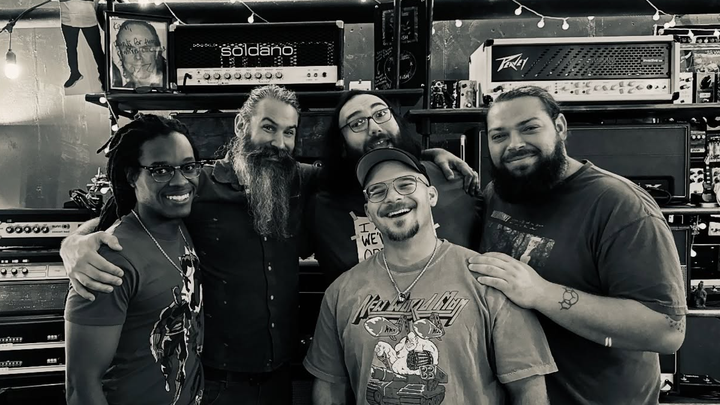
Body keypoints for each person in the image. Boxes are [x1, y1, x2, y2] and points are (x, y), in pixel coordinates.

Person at [59, 85, 474, 405]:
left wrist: (431, 155)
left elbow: (363, 166)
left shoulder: (302, 180)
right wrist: (74, 242)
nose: (279, 143)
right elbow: (127, 213)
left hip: (280, 377)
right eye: (269, 128)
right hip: (215, 381)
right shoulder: (197, 184)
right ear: (242, 127)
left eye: (289, 132)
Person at [468, 86, 688, 405]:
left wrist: (541, 293)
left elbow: (667, 331)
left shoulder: (620, 205)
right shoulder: (499, 193)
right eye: (499, 135)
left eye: (529, 128)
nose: (514, 144)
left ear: (560, 127)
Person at [304, 147, 557, 404]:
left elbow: (528, 390)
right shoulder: (340, 292)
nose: (393, 197)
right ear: (369, 212)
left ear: (432, 195)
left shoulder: (487, 278)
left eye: (406, 184)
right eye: (377, 191)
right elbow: (330, 390)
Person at [64, 114, 204, 405]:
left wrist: (72, 238)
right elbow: (81, 387)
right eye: (160, 170)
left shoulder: (179, 223)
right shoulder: (110, 262)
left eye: (188, 167)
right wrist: (70, 245)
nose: (180, 180)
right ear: (130, 176)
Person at [307, 90, 482, 284]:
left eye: (381, 113)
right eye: (357, 123)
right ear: (341, 144)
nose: (374, 128)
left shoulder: (454, 182)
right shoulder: (321, 208)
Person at [59, 0, 105, 88]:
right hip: (67, 16)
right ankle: (74, 73)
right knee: (71, 48)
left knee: (96, 49)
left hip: (87, 14)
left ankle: (104, 75)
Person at [112, 20, 167, 89]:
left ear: (156, 51)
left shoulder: (173, 86)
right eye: (130, 50)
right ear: (119, 54)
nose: (138, 57)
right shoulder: (122, 93)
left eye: (145, 49)